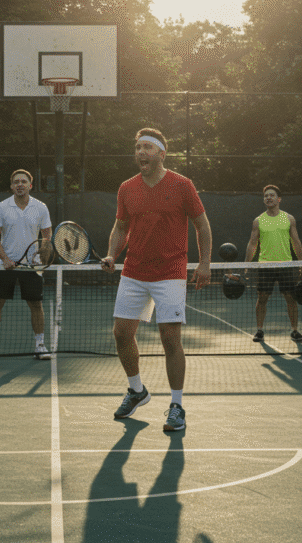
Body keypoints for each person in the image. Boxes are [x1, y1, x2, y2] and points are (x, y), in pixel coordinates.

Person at [103, 128, 212, 432]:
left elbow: (202, 225)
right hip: (134, 271)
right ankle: (137, 390)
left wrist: (204, 263)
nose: (141, 152)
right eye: (137, 147)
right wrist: (112, 255)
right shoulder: (126, 188)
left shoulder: (182, 185)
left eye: (147, 147)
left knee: (169, 338)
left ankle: (176, 406)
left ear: (162, 153)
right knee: (121, 333)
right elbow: (121, 227)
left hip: (170, 273)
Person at [0, 169, 53, 360]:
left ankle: (40, 345)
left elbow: (47, 235)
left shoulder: (41, 207)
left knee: (36, 305)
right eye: (16, 182)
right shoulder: (2, 207)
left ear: (30, 185)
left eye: (23, 181)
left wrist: (41, 253)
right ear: (11, 186)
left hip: (31, 266)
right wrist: (5, 259)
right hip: (5, 265)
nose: (20, 184)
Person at [243, 185, 302, 343]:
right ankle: (259, 330)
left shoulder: (289, 218)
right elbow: (252, 244)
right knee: (262, 298)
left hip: (285, 265)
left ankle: (294, 331)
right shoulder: (258, 221)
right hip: (265, 266)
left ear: (279, 199)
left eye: (271, 195)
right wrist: (247, 264)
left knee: (291, 298)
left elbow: (296, 242)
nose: (268, 198)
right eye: (266, 196)